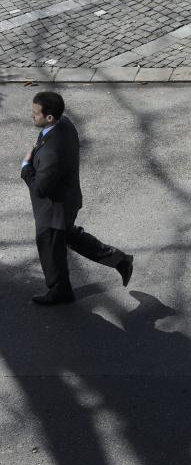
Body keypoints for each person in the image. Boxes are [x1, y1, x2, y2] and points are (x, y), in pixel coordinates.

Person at [20, 91, 133, 305]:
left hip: (53, 210)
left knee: (50, 250)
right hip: (68, 200)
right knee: (69, 236)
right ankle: (119, 260)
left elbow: (41, 189)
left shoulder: (52, 152)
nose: (32, 116)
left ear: (50, 117)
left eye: (35, 113)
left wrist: (26, 166)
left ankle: (60, 291)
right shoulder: (65, 124)